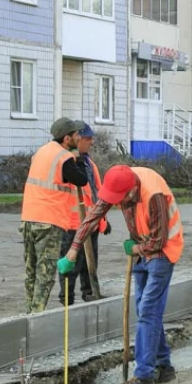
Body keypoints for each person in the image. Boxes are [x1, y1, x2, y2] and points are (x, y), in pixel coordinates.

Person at [59, 164, 183, 384]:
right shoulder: (119, 182)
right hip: (141, 249)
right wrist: (73, 251)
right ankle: (165, 369)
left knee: (148, 311)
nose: (117, 204)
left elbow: (157, 241)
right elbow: (93, 216)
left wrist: (135, 247)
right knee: (145, 310)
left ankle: (145, 377)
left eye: (121, 200)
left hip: (163, 251)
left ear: (132, 191)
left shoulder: (153, 194)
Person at [20, 117, 89, 314]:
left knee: (31, 270)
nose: (79, 137)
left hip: (28, 217)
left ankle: (29, 311)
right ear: (67, 138)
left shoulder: (41, 152)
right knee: (45, 272)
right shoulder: (64, 157)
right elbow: (81, 180)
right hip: (48, 221)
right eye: (76, 134)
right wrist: (80, 159)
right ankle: (37, 315)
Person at [57, 123, 112, 305]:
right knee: (72, 262)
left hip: (91, 221)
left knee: (91, 262)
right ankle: (67, 299)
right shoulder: (67, 162)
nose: (91, 142)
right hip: (73, 222)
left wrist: (102, 219)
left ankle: (90, 293)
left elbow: (96, 192)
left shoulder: (89, 163)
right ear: (77, 139)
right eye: (88, 138)